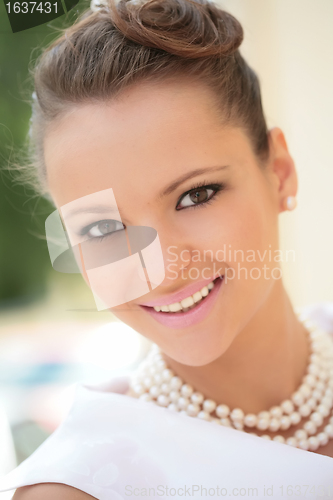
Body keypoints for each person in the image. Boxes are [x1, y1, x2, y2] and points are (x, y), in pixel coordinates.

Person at [1, 0, 333, 498]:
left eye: (195, 195)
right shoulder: (78, 488)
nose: (160, 270)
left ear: (279, 172)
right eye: (101, 230)